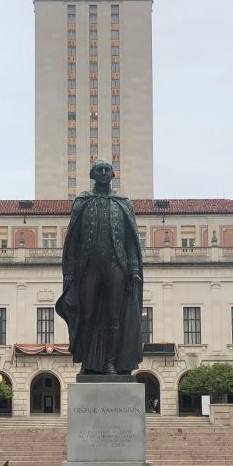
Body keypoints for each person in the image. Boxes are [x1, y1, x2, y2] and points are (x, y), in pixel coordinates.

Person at [56, 160, 144, 375]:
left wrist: (133, 268)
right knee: (87, 314)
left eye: (107, 169)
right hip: (88, 268)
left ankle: (112, 361)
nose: (104, 173)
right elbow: (73, 240)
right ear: (92, 174)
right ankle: (89, 361)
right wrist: (69, 272)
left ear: (113, 174)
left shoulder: (123, 203)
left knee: (115, 316)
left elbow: (131, 240)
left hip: (117, 266)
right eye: (99, 169)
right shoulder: (82, 202)